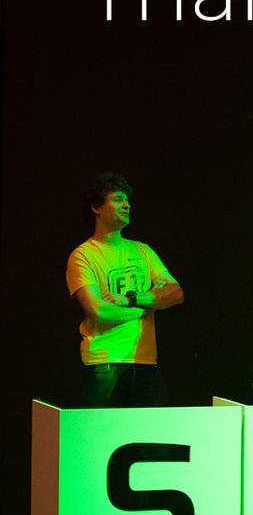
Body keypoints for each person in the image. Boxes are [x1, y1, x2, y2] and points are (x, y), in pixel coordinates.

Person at [66, 172, 185, 407]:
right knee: (105, 430)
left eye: (128, 200)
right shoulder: (83, 256)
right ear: (96, 207)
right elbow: (99, 311)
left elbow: (176, 293)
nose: (127, 205)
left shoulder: (142, 251)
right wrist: (146, 308)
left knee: (156, 430)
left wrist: (131, 299)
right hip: (104, 362)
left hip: (145, 361)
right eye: (118, 199)